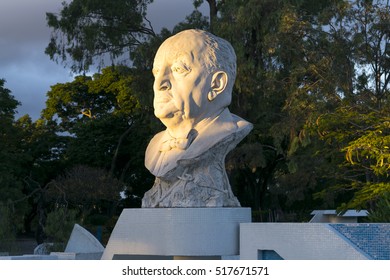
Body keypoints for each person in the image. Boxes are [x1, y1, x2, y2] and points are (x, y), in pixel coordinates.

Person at [142, 29, 252, 207]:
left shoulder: (230, 130)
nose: (159, 83)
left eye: (178, 69)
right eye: (156, 72)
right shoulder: (156, 147)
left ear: (216, 84)